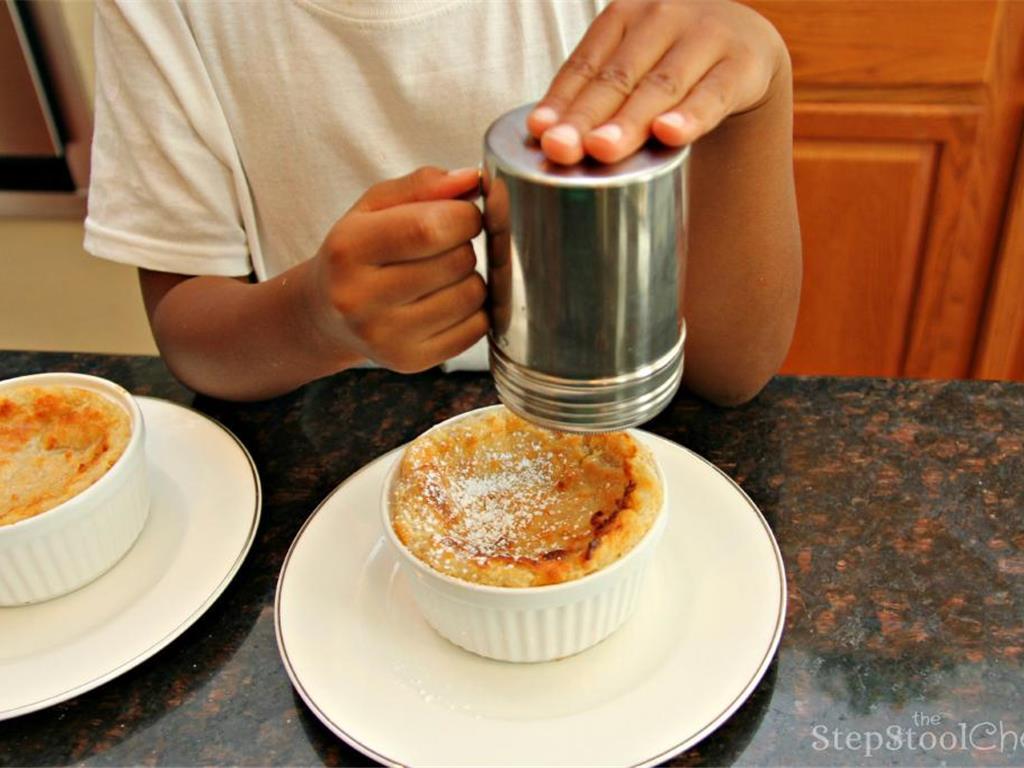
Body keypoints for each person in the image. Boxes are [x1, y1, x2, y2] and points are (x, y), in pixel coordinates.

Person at [85, 0, 801, 406]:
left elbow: (730, 372)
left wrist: (760, 90)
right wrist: (312, 315)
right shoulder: (163, 13)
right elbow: (190, 331)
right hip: (326, 415)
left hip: (617, 416)